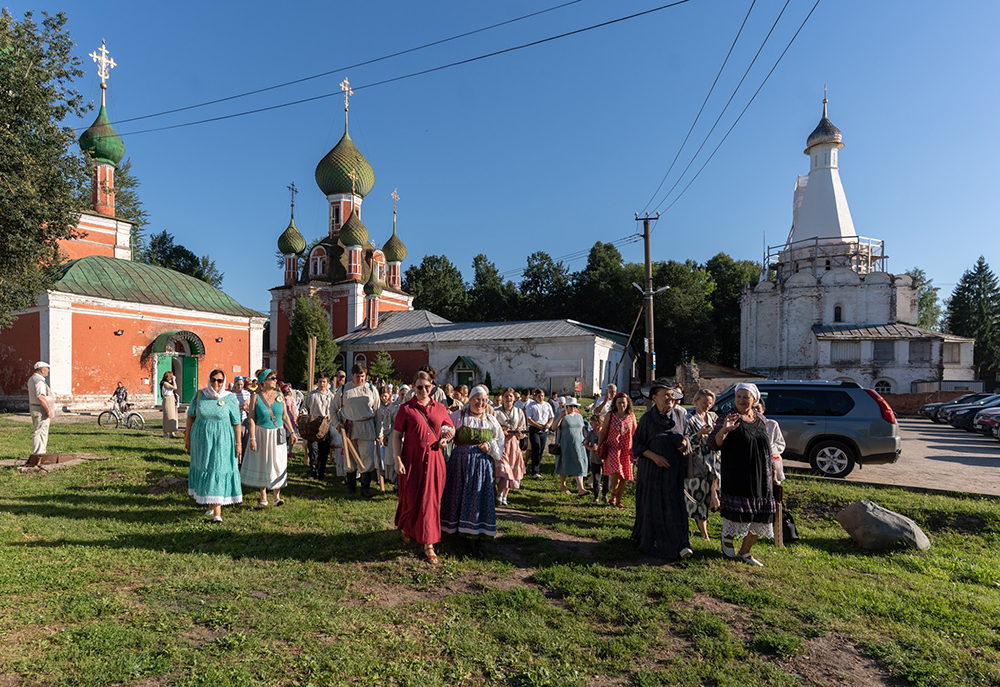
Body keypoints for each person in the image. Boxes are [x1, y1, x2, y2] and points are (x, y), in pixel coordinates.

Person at [708, 383, 776, 567]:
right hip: (737, 471)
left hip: (762, 473)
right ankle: (727, 536)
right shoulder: (728, 417)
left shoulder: (761, 419)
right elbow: (715, 444)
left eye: (746, 397)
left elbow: (767, 447)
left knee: (761, 513)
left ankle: (745, 551)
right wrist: (724, 430)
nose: (741, 400)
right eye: (738, 396)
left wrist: (773, 470)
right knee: (737, 511)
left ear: (754, 399)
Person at [392, 370, 456, 564]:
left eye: (427, 386)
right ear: (414, 387)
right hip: (411, 459)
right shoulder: (406, 409)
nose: (423, 390)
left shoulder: (440, 408)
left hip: (435, 460)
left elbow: (450, 428)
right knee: (410, 498)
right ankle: (407, 526)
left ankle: (429, 543)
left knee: (430, 501)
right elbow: (396, 436)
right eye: (419, 387)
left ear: (432, 386)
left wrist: (446, 438)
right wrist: (397, 459)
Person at [631, 378, 692, 559]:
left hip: (674, 472)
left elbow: (687, 434)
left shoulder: (680, 415)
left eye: (672, 395)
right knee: (654, 506)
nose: (670, 399)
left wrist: (684, 442)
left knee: (675, 506)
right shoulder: (647, 419)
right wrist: (654, 456)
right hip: (652, 472)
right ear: (654, 397)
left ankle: (681, 544)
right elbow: (637, 444)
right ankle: (654, 541)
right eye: (666, 395)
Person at [441, 385, 504, 558]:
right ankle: (455, 534)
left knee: (477, 499)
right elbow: (444, 426)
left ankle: (476, 539)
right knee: (458, 497)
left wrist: (489, 446)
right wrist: (446, 433)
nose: (481, 403)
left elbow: (500, 442)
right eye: (477, 399)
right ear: (470, 399)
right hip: (459, 466)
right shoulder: (459, 416)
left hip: (482, 468)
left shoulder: (491, 420)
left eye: (484, 400)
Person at [184, 369, 243, 522]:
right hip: (201, 440)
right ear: (209, 379)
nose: (216, 383)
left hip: (222, 440)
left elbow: (236, 423)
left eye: (219, 381)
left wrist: (238, 443)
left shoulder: (229, 398)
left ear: (223, 382)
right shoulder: (200, 395)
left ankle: (217, 512)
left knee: (217, 468)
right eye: (213, 380)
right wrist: (188, 438)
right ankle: (210, 505)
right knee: (205, 468)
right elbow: (190, 416)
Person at [241, 369, 299, 507]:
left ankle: (276, 496)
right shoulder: (256, 397)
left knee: (278, 461)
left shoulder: (280, 396)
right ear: (263, 381)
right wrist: (253, 438)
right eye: (272, 378)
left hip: (278, 432)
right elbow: (251, 419)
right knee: (264, 461)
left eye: (275, 378)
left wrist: (292, 432)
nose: (275, 380)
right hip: (262, 433)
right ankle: (263, 495)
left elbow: (285, 416)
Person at [333, 363, 382, 498]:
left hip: (367, 427)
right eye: (357, 376)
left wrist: (379, 432)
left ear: (366, 376)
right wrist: (337, 423)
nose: (360, 379)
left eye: (362, 376)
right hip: (349, 428)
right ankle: (351, 486)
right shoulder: (344, 390)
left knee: (367, 457)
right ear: (352, 375)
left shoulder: (371, 389)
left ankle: (365, 488)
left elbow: (377, 412)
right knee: (350, 458)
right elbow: (333, 408)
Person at [685, 389, 720, 540]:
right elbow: (685, 441)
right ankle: (703, 533)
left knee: (710, 495)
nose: (707, 405)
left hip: (714, 462)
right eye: (704, 402)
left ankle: (702, 529)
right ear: (696, 401)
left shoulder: (713, 416)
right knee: (698, 496)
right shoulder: (689, 417)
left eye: (710, 403)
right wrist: (699, 434)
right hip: (697, 462)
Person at [600, 393, 637, 508]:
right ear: (615, 404)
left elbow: (635, 432)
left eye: (624, 403)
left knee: (624, 476)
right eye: (619, 402)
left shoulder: (631, 415)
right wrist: (600, 444)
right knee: (615, 471)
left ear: (627, 404)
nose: (621, 405)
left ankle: (617, 500)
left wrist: (638, 447)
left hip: (627, 449)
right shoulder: (610, 415)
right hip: (613, 447)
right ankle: (613, 493)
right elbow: (604, 430)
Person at [494, 387, 526, 506]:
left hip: (513, 444)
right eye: (506, 396)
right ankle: (500, 492)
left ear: (514, 398)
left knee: (511, 471)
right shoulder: (496, 412)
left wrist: (519, 433)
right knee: (502, 469)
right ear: (502, 398)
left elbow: (522, 428)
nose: (508, 398)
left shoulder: (519, 412)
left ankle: (504, 496)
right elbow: (493, 428)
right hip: (501, 444)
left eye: (510, 396)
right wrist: (501, 431)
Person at [552, 398, 590, 495]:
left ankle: (581, 488)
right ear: (566, 406)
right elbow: (553, 427)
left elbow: (582, 429)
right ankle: (563, 485)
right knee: (565, 464)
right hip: (566, 444)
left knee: (579, 463)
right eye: (571, 406)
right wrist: (560, 416)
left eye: (575, 406)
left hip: (579, 444)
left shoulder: (579, 416)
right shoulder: (562, 416)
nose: (573, 408)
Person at [302, 372, 334, 480]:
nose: (322, 384)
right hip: (313, 426)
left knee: (324, 450)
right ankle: (313, 470)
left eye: (324, 382)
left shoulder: (331, 397)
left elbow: (335, 410)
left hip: (325, 427)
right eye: (320, 381)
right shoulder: (311, 395)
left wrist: (330, 415)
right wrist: (303, 411)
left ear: (327, 383)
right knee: (313, 450)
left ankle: (321, 472)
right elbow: (305, 407)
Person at [525, 388, 554, 479]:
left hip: (544, 429)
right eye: (539, 396)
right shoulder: (531, 405)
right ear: (535, 397)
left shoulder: (547, 405)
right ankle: (535, 471)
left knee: (541, 449)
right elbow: (529, 419)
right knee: (536, 447)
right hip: (535, 429)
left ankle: (537, 466)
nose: (541, 398)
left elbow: (551, 417)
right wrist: (537, 425)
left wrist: (549, 424)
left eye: (542, 396)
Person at [27, 362, 52, 456]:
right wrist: (48, 410)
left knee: (38, 430)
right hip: (40, 409)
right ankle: (39, 453)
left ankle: (39, 452)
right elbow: (40, 397)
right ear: (42, 370)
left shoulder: (32, 379)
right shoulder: (39, 381)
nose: (48, 371)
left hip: (34, 407)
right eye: (47, 369)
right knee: (41, 432)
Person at [584, 414, 609, 503]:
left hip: (605, 458)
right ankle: (596, 496)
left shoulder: (606, 433)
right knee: (596, 477)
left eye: (593, 422)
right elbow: (586, 444)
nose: (591, 424)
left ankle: (605, 494)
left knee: (606, 478)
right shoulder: (591, 433)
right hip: (594, 459)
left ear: (599, 423)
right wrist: (591, 449)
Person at [232, 376, 252, 459]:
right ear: (235, 384)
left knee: (244, 439)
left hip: (243, 419)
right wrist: (240, 407)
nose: (240, 386)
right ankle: (236, 459)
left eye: (241, 384)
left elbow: (250, 406)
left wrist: (247, 407)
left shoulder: (246, 394)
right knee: (236, 440)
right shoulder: (231, 394)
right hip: (234, 419)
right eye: (238, 384)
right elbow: (230, 407)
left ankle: (243, 460)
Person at [160, 371, 179, 438]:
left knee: (173, 415)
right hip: (167, 399)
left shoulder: (168, 383)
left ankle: (172, 432)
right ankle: (165, 432)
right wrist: (174, 380)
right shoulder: (164, 383)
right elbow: (175, 387)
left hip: (172, 398)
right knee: (168, 415)